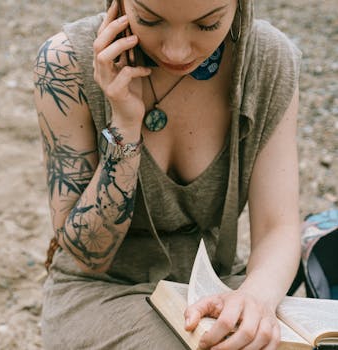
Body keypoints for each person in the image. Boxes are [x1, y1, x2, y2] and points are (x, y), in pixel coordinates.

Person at [33, 0, 302, 348]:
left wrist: (256, 298)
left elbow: (276, 226)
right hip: (103, 291)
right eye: (148, 19)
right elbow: (88, 255)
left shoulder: (268, 61)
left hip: (215, 284)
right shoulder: (65, 62)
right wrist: (125, 126)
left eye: (206, 25)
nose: (176, 51)